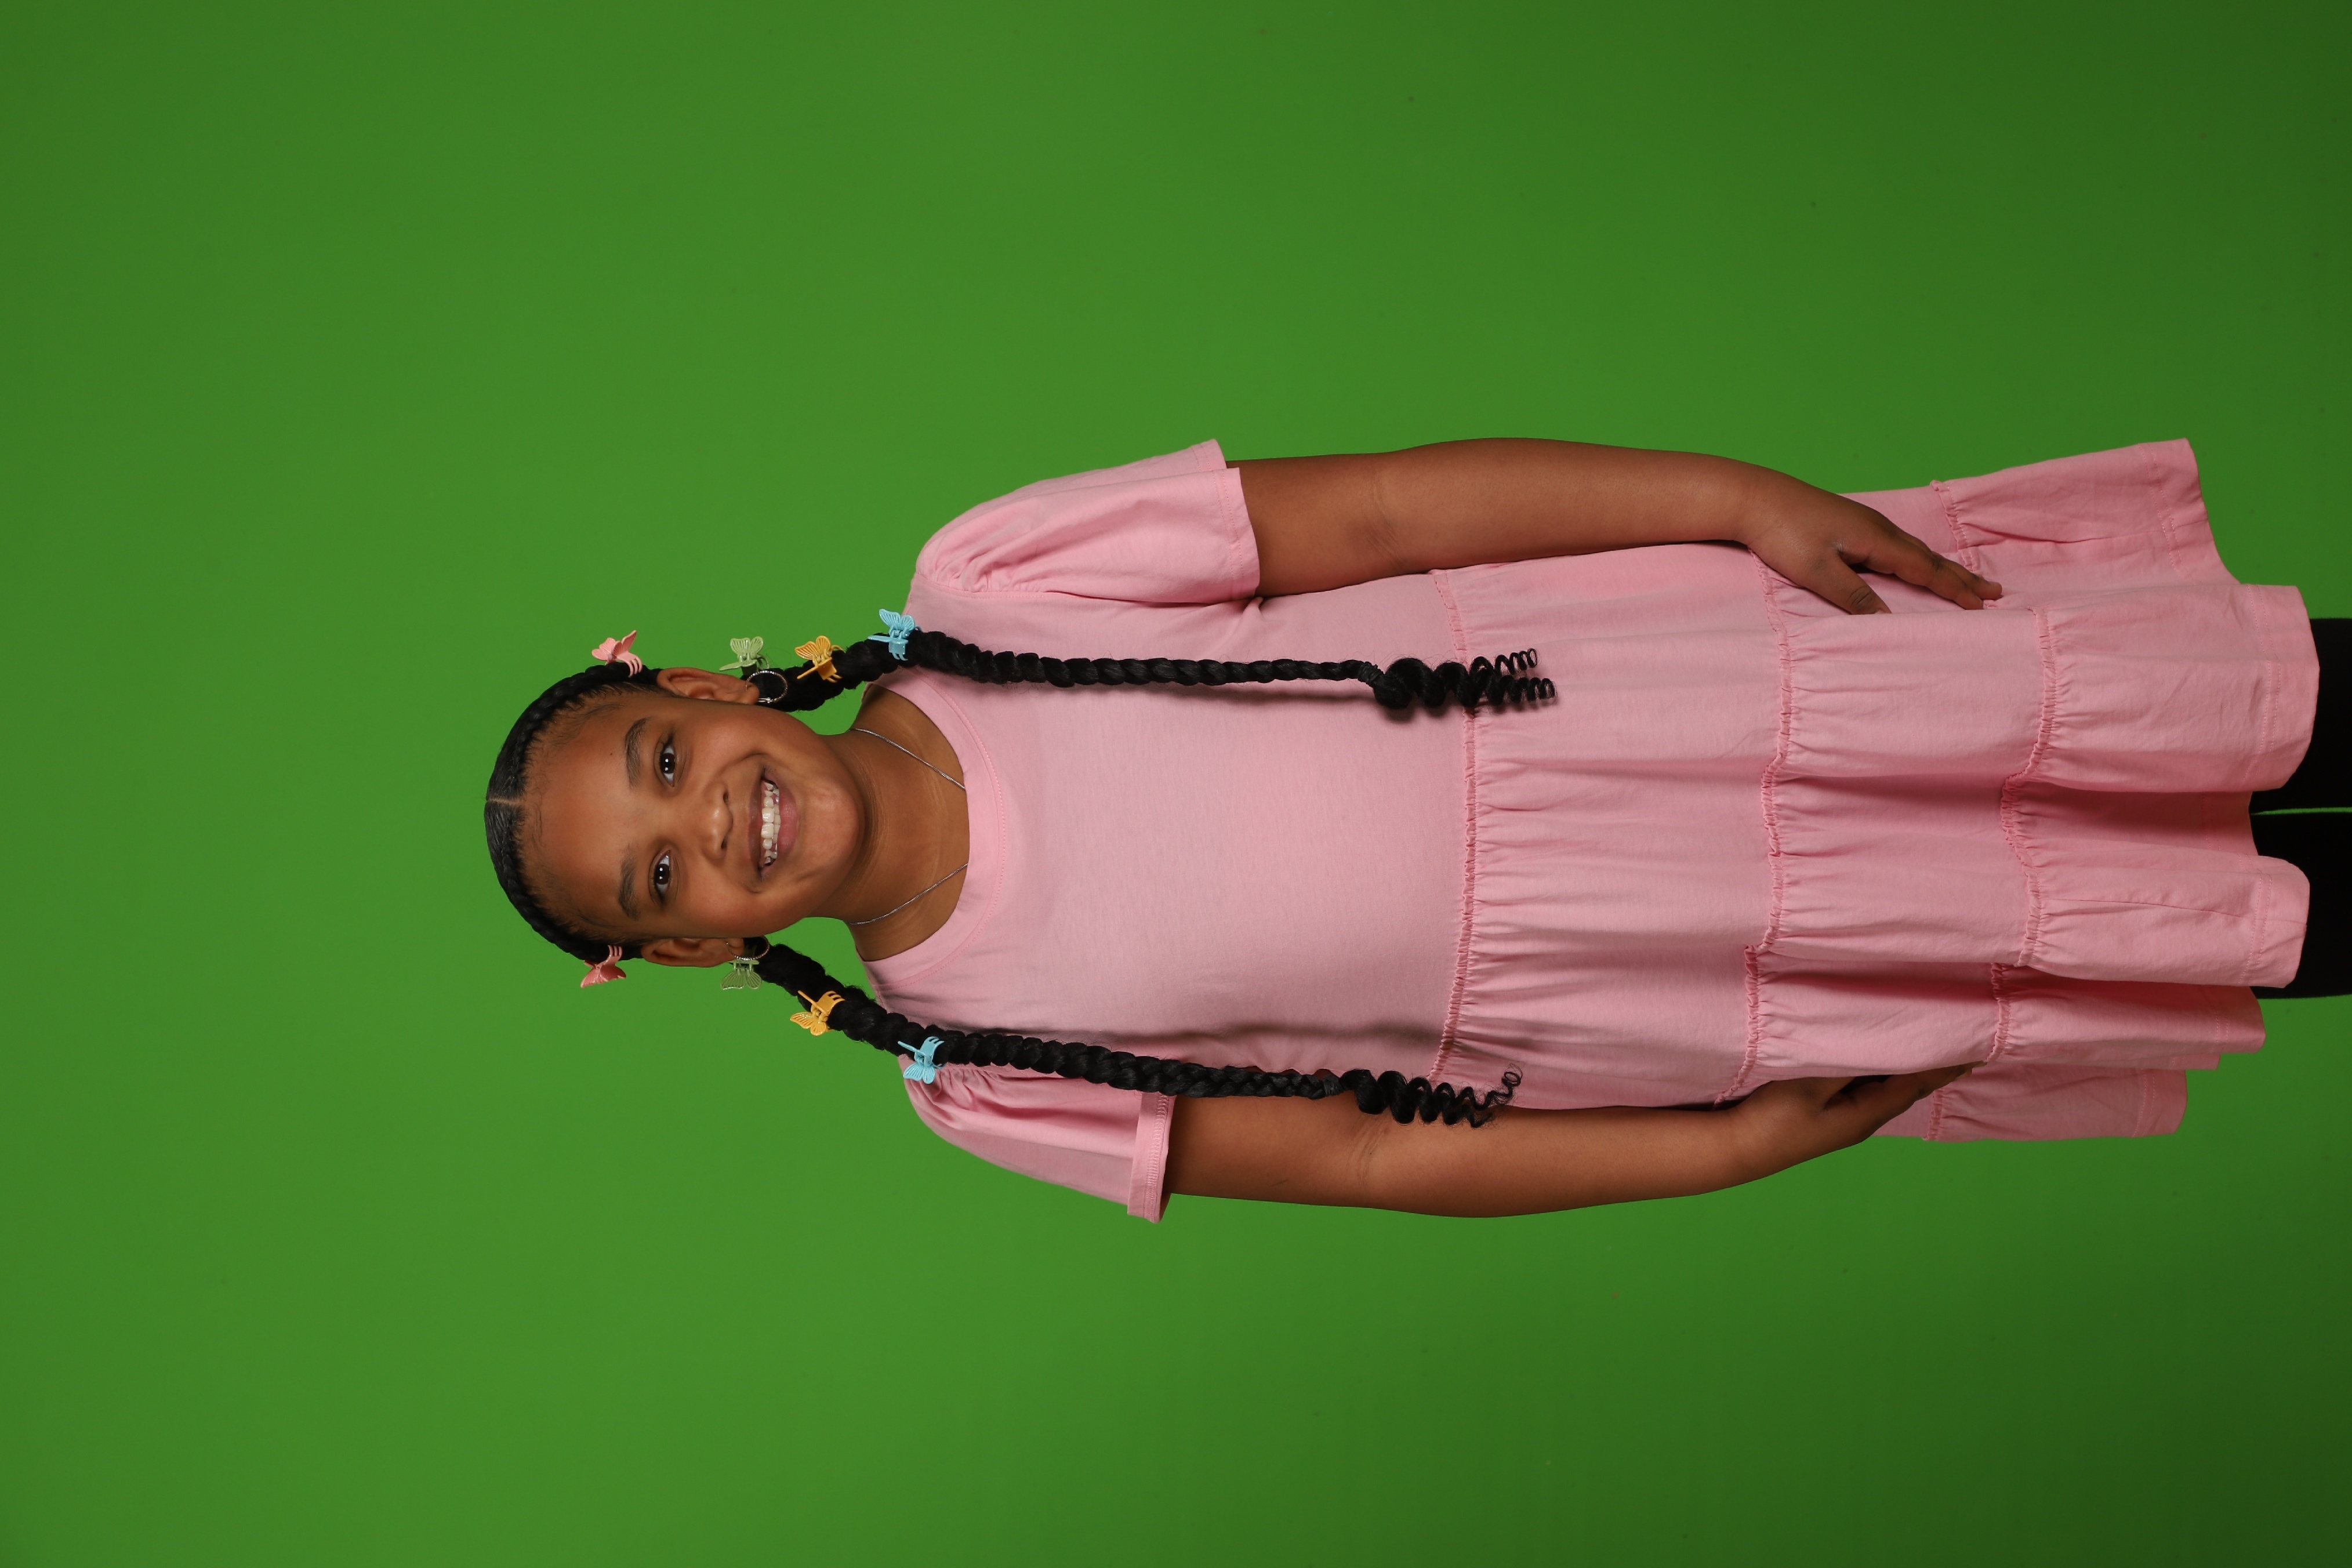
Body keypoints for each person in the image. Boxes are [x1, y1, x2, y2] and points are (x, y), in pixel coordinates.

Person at [484, 438, 2333, 1221]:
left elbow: (1383, 517)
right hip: (1657, 959)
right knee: (2244, 906)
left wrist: (1729, 498)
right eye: (660, 875)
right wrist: (1719, 1150)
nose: (708, 821)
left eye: (664, 755)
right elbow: (1369, 1155)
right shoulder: (984, 1071)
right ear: (697, 946)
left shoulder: (996, 582)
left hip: (1670, 684)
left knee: (2203, 700)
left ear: (710, 691)